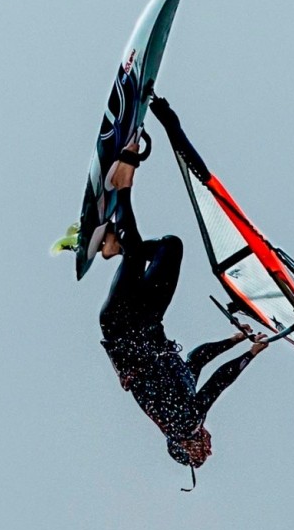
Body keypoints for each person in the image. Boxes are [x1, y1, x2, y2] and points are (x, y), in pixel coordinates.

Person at [94, 95, 266, 478]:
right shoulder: (183, 401)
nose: (207, 443)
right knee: (171, 247)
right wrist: (234, 341)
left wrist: (250, 355)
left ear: (184, 445)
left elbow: (218, 384)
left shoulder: (181, 422)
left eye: (200, 450)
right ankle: (116, 245)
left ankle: (123, 184)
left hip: (123, 326)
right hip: (149, 319)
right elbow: (199, 361)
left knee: (141, 255)